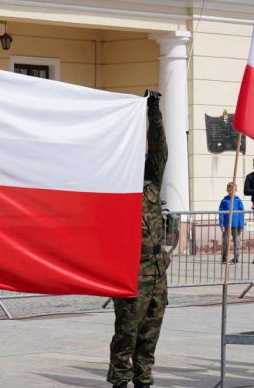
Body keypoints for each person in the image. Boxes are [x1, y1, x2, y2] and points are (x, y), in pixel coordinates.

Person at [108, 90, 169, 388]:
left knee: (151, 330)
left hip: (157, 269)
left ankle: (143, 379)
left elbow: (160, 150)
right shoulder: (115, 187)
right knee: (127, 331)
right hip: (131, 270)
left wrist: (153, 112)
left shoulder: (150, 179)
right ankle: (119, 380)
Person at [219, 182, 244, 264]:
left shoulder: (238, 200)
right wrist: (221, 224)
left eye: (232, 190)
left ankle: (236, 258)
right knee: (225, 241)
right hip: (226, 225)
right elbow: (221, 212)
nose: (231, 191)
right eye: (229, 190)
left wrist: (241, 224)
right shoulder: (224, 200)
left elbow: (241, 213)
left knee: (236, 241)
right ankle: (224, 257)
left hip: (236, 225)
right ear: (227, 190)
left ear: (236, 190)